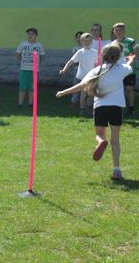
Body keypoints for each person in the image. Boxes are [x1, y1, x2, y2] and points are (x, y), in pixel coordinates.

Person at [56, 43, 136, 181]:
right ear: (118, 57)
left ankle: (101, 141)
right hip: (116, 107)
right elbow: (129, 66)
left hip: (101, 107)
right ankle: (116, 170)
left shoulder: (97, 71)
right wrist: (131, 59)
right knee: (115, 140)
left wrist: (63, 92)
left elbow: (82, 85)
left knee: (99, 134)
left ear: (102, 56)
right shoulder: (122, 69)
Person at [59, 33, 97, 115]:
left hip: (91, 77)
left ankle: (89, 106)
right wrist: (64, 70)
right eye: (85, 41)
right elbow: (71, 61)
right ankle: (82, 109)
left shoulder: (95, 52)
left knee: (92, 94)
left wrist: (96, 74)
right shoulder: (80, 52)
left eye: (89, 41)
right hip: (82, 77)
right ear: (81, 42)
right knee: (83, 94)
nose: (87, 42)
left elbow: (96, 65)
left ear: (91, 42)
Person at [15, 28, 45, 108]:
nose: (30, 36)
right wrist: (22, 61)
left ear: (36, 35)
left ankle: (30, 103)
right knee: (22, 87)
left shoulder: (39, 45)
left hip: (34, 70)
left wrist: (37, 63)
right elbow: (17, 54)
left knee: (32, 87)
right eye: (29, 34)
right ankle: (20, 103)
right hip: (24, 69)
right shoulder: (23, 44)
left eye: (32, 34)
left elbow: (42, 56)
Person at [112, 22, 136, 115]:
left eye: (120, 30)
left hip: (129, 70)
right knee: (118, 89)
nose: (118, 32)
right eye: (116, 30)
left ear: (124, 31)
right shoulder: (113, 44)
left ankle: (131, 108)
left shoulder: (131, 41)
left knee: (129, 89)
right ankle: (118, 107)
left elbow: (136, 52)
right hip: (117, 70)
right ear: (114, 32)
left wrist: (132, 58)